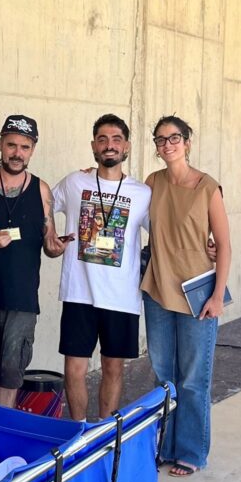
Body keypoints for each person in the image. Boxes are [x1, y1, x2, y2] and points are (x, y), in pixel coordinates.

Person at [0, 116, 70, 406]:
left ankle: (1, 434)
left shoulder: (42, 191)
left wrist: (58, 248)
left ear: (32, 150)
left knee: (11, 378)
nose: (17, 153)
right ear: (0, 144)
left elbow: (49, 244)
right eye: (11, 145)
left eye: (24, 147)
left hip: (23, 301)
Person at [141, 114, 232, 476]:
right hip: (158, 289)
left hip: (197, 294)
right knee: (164, 375)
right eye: (160, 140)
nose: (167, 145)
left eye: (174, 138)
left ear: (187, 142)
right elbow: (125, 203)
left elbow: (223, 245)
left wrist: (217, 296)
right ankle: (164, 446)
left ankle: (192, 451)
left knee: (193, 378)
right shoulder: (153, 183)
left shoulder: (208, 187)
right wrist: (93, 174)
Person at [52, 115, 151, 421]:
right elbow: (40, 204)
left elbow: (167, 233)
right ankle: (79, 431)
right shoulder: (74, 182)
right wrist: (49, 236)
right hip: (79, 293)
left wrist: (206, 244)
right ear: (93, 145)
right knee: (74, 368)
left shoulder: (142, 193)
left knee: (113, 368)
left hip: (121, 297)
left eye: (116, 139)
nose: (110, 145)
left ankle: (105, 433)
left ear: (127, 147)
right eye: (103, 139)